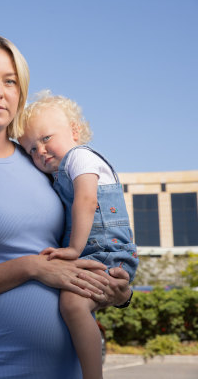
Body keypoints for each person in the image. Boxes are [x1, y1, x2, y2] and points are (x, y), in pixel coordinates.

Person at [0, 34, 132, 378]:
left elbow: (82, 249)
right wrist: (31, 267)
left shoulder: (43, 163)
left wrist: (118, 293)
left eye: (10, 81)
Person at [17, 91, 139, 379]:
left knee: (73, 305)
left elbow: (86, 201)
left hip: (106, 252)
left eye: (46, 139)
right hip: (93, 253)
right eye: (32, 149)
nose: (41, 151)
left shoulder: (80, 158)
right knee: (77, 306)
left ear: (74, 131)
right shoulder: (60, 172)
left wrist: (72, 250)